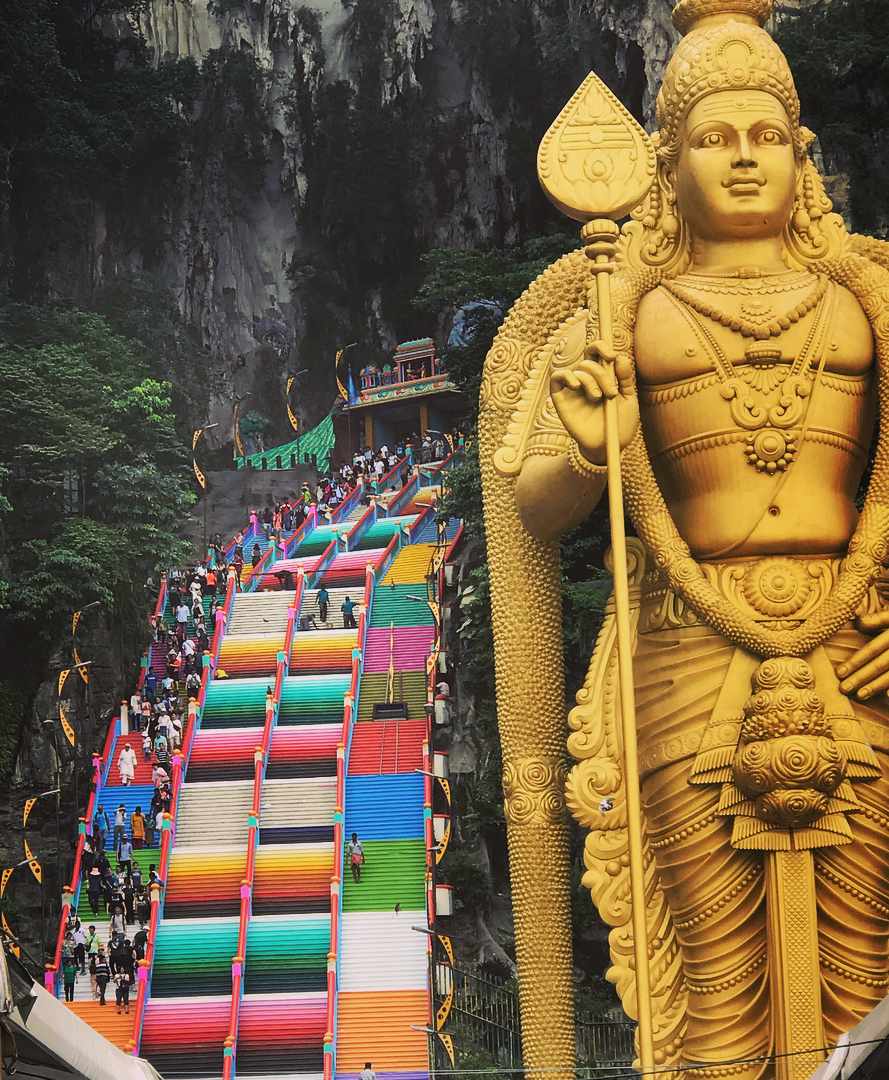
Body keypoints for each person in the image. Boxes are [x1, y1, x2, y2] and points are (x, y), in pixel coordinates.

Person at [481, 0, 889, 1069]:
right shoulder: (617, 305)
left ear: (803, 154)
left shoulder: (871, 296)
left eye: (766, 136)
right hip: (686, 650)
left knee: (870, 975)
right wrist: (588, 450)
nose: (744, 159)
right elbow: (532, 502)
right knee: (713, 990)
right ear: (667, 163)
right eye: (715, 138)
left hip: (858, 646)